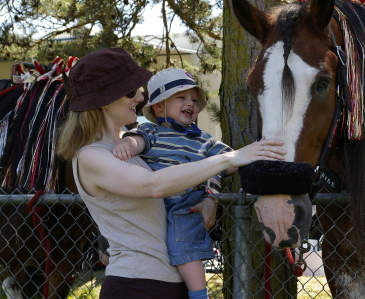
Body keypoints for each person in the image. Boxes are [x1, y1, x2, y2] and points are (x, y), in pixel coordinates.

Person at [56, 47, 286, 299]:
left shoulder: (130, 146)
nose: (141, 97)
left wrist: (210, 197)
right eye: (131, 92)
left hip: (166, 282)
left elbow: (183, 167)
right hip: (137, 286)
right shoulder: (91, 155)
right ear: (105, 101)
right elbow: (153, 186)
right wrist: (231, 157)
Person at [112, 68, 237, 299]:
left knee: (184, 247)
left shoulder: (203, 140)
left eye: (194, 99)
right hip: (150, 203)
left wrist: (239, 161)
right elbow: (138, 141)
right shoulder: (151, 131)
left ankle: (199, 294)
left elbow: (228, 162)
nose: (190, 103)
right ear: (158, 106)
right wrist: (127, 144)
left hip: (184, 203)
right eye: (181, 97)